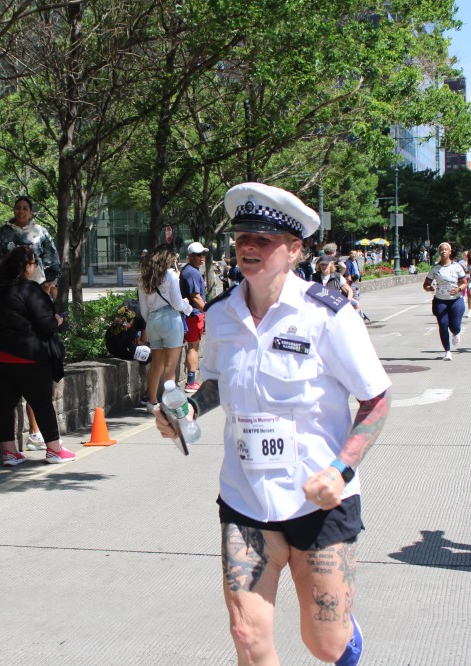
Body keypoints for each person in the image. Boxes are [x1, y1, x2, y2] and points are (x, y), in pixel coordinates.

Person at [156, 183, 390, 666]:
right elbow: (216, 382)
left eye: (263, 239)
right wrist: (185, 411)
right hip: (245, 498)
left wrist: (341, 471)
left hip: (319, 501)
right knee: (247, 632)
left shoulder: (328, 315)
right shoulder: (221, 315)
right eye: (242, 237)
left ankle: (345, 636)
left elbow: (377, 400)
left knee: (325, 644)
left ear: (295, 249)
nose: (248, 247)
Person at [0, 247, 75, 466]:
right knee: (41, 401)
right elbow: (46, 324)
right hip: (23, 353)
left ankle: (10, 453)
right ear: (26, 266)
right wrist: (58, 319)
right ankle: (54, 450)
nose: (35, 268)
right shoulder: (29, 289)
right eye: (34, 264)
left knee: (3, 403)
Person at [137, 244, 193, 413]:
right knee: (170, 366)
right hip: (170, 319)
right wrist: (188, 307)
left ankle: (152, 403)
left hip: (152, 320)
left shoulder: (144, 277)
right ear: (168, 259)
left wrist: (150, 322)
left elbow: (143, 309)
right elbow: (176, 303)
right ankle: (169, 404)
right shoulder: (170, 275)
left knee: (156, 365)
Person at [0, 196, 61, 299]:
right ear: (14, 210)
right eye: (18, 208)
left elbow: (53, 259)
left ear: (31, 212)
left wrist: (49, 284)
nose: (21, 211)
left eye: (25, 208)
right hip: (9, 287)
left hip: (37, 287)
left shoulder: (40, 232)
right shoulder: (4, 232)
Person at [423, 242, 468, 361]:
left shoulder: (457, 267)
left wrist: (458, 289)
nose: (443, 251)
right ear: (439, 252)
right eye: (441, 250)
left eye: (446, 249)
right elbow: (426, 284)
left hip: (455, 300)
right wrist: (430, 288)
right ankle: (447, 351)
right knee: (443, 325)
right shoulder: (435, 268)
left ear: (450, 252)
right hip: (440, 300)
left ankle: (456, 332)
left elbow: (465, 283)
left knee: (455, 326)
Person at [180, 241, 209, 392]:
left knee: (191, 347)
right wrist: (208, 311)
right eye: (198, 254)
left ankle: (189, 381)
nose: (202, 256)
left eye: (203, 253)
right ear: (191, 256)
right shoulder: (192, 272)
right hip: (193, 316)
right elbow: (196, 297)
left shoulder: (191, 270)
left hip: (190, 315)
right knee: (193, 348)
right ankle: (190, 382)